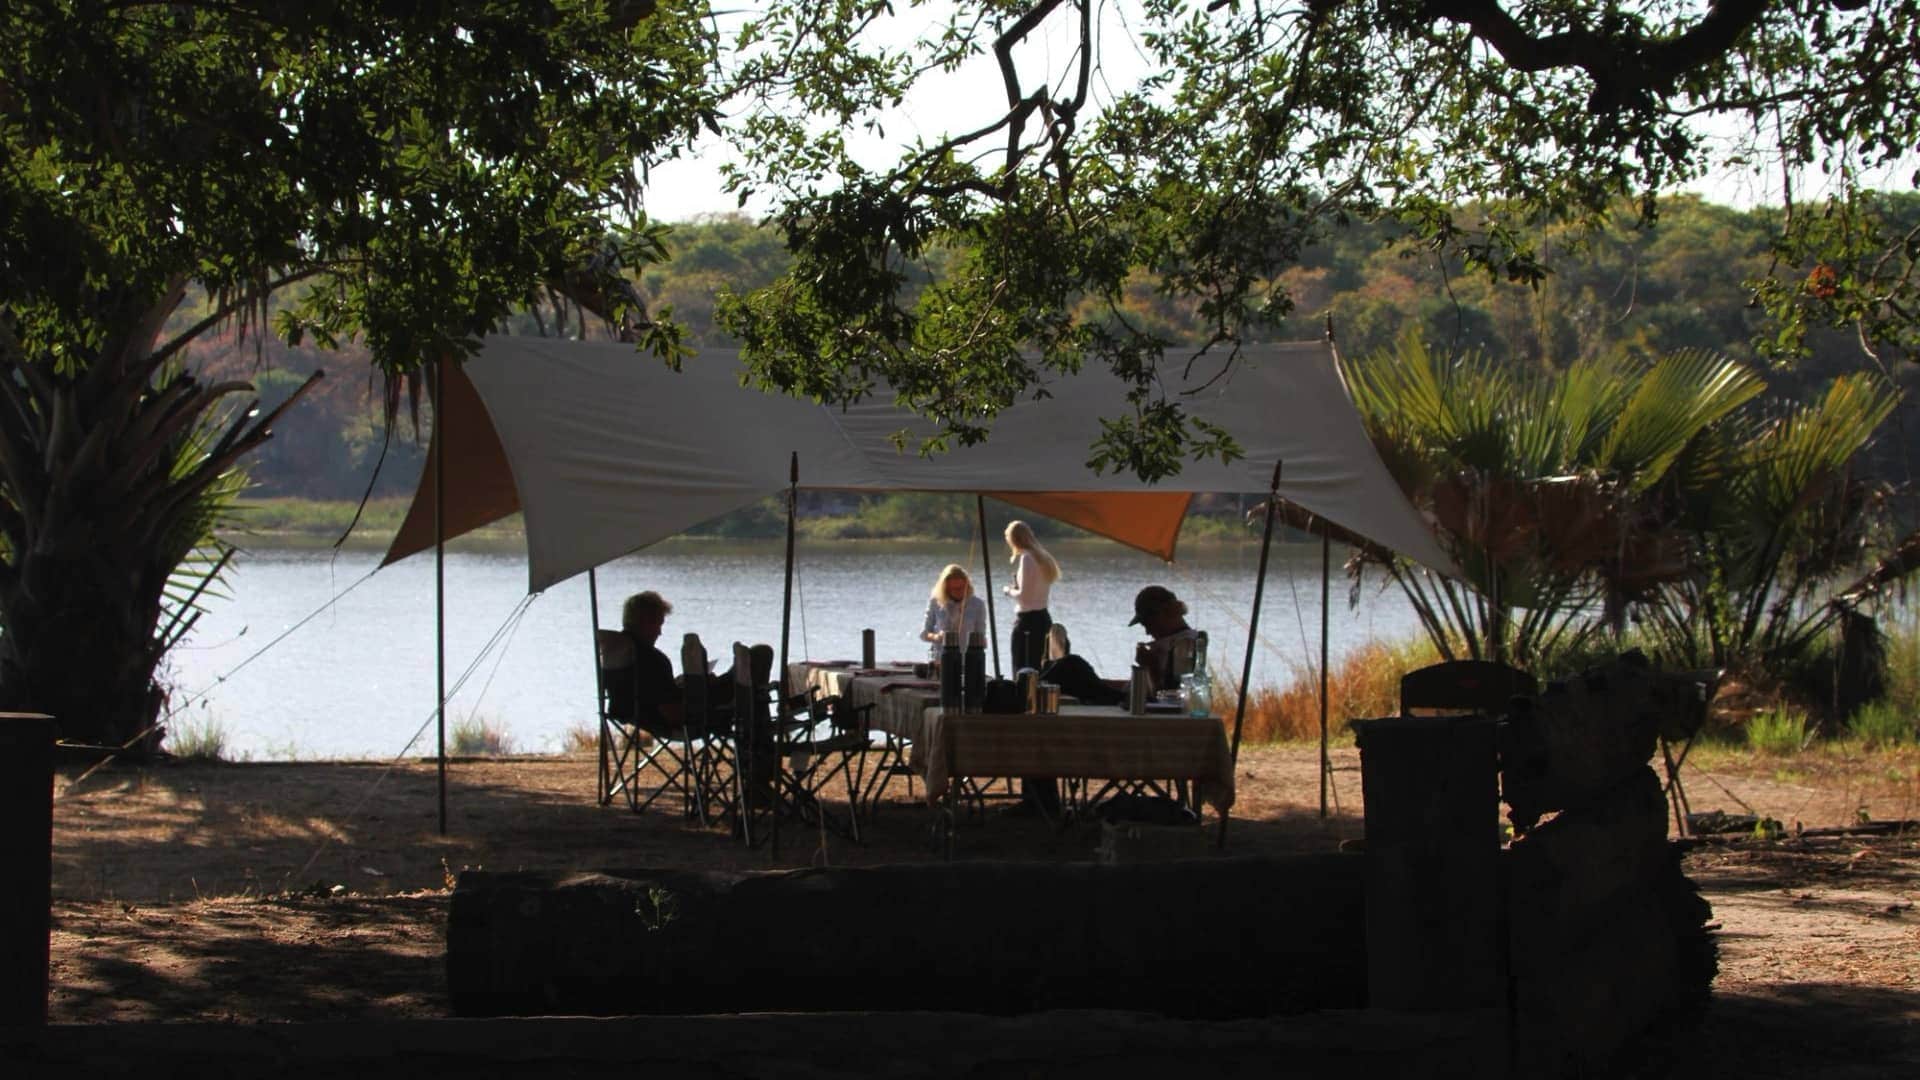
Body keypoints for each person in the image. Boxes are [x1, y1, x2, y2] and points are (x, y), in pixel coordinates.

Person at [1002, 520, 1061, 672]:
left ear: (1013, 540)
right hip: (1043, 619)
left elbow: (1024, 597)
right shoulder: (1043, 557)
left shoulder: (1027, 558)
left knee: (1023, 671)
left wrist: (1008, 590)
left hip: (1028, 623)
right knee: (1040, 669)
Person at [1130, 584, 1201, 692]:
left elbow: (1171, 697)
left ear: (1165, 613)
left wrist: (1150, 667)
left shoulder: (1184, 645)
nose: (1148, 632)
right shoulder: (1176, 642)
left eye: (1149, 624)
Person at [920, 564, 989, 660]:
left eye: (962, 588)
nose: (959, 592)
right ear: (946, 588)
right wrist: (937, 637)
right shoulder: (935, 602)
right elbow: (923, 634)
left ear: (967, 585)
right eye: (955, 589)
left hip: (968, 660)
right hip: (941, 659)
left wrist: (982, 641)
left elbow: (981, 635)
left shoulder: (978, 604)